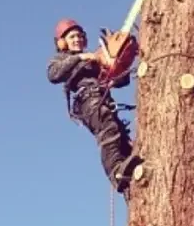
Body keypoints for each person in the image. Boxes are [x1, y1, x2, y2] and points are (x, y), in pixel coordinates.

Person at [46, 18, 141, 193]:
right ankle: (116, 172)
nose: (77, 39)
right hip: (88, 101)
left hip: (104, 100)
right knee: (108, 130)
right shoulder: (62, 59)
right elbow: (53, 74)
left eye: (79, 36)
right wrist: (80, 57)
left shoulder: (94, 60)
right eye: (72, 37)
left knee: (124, 143)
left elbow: (121, 81)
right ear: (62, 42)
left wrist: (120, 62)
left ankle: (132, 183)